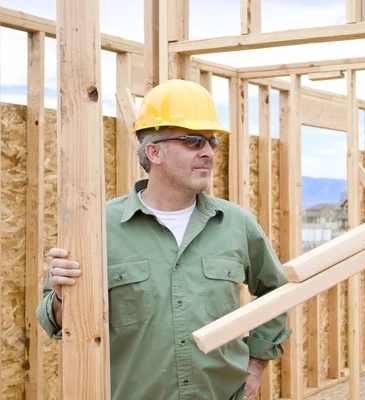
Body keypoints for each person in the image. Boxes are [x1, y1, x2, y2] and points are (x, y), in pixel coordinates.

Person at [36, 79, 291, 400]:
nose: (209, 153)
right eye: (194, 141)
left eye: (213, 143)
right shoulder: (98, 227)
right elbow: (53, 322)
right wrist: (63, 300)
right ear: (154, 151)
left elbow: (277, 292)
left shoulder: (237, 224)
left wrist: (256, 363)